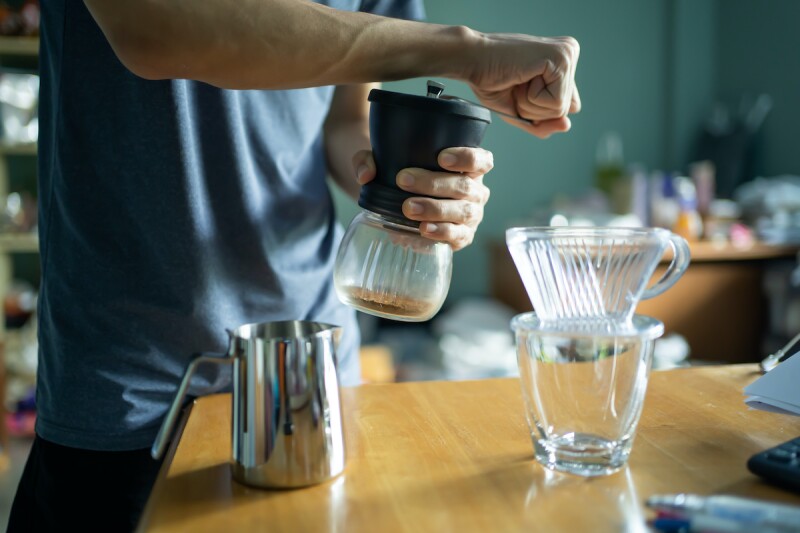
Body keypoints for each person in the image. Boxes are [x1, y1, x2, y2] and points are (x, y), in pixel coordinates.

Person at [9, 0, 580, 530]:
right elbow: (156, 28)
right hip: (134, 373)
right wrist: (466, 50)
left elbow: (343, 122)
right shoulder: (458, 46)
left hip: (312, 360)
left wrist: (413, 183)